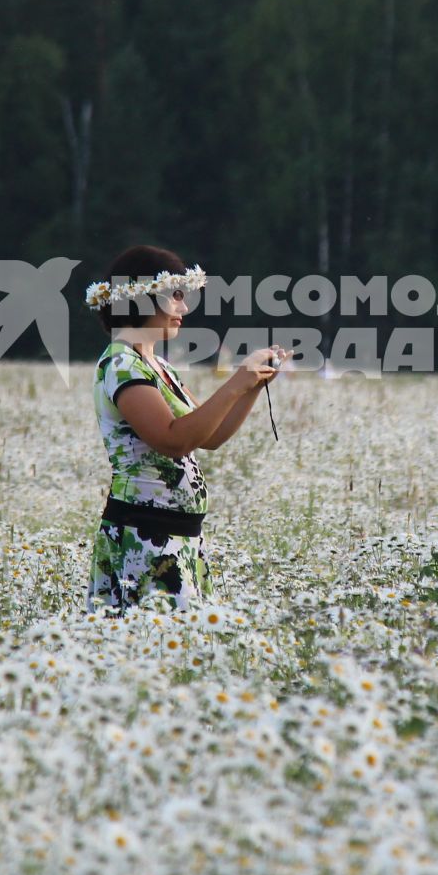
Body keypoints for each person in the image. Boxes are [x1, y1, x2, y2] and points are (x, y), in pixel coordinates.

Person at [84, 245, 285, 611]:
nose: (184, 307)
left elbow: (209, 436)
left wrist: (252, 386)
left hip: (178, 538)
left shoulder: (157, 365)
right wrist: (236, 383)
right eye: (174, 296)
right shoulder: (121, 365)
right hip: (143, 539)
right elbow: (174, 441)